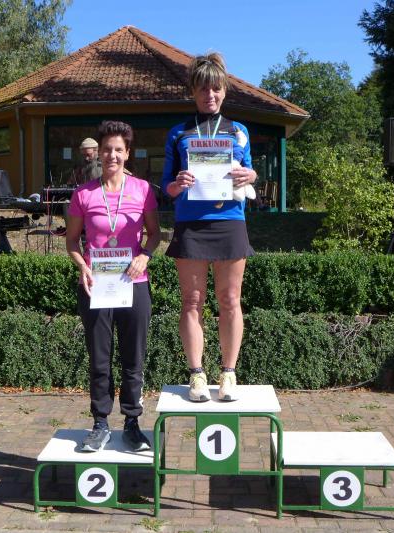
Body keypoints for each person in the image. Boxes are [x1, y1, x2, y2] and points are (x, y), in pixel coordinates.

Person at [161, 52, 257, 403]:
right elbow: (166, 187)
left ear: (224, 91)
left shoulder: (239, 131)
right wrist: (177, 184)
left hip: (230, 221)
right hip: (191, 224)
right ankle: (197, 374)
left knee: (230, 300)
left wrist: (251, 175)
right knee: (192, 301)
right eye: (203, 89)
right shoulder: (178, 133)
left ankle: (229, 373)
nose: (210, 95)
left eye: (216, 89)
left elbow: (250, 172)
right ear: (193, 92)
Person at [66, 120, 161, 452]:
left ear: (127, 153)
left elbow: (155, 234)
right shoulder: (83, 194)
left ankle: (132, 423)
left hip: (133, 283)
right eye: (107, 149)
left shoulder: (143, 190)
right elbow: (72, 242)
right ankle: (100, 424)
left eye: (118, 149)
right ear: (99, 153)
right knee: (100, 358)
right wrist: (82, 266)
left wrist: (145, 256)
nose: (112, 155)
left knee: (133, 357)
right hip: (97, 285)